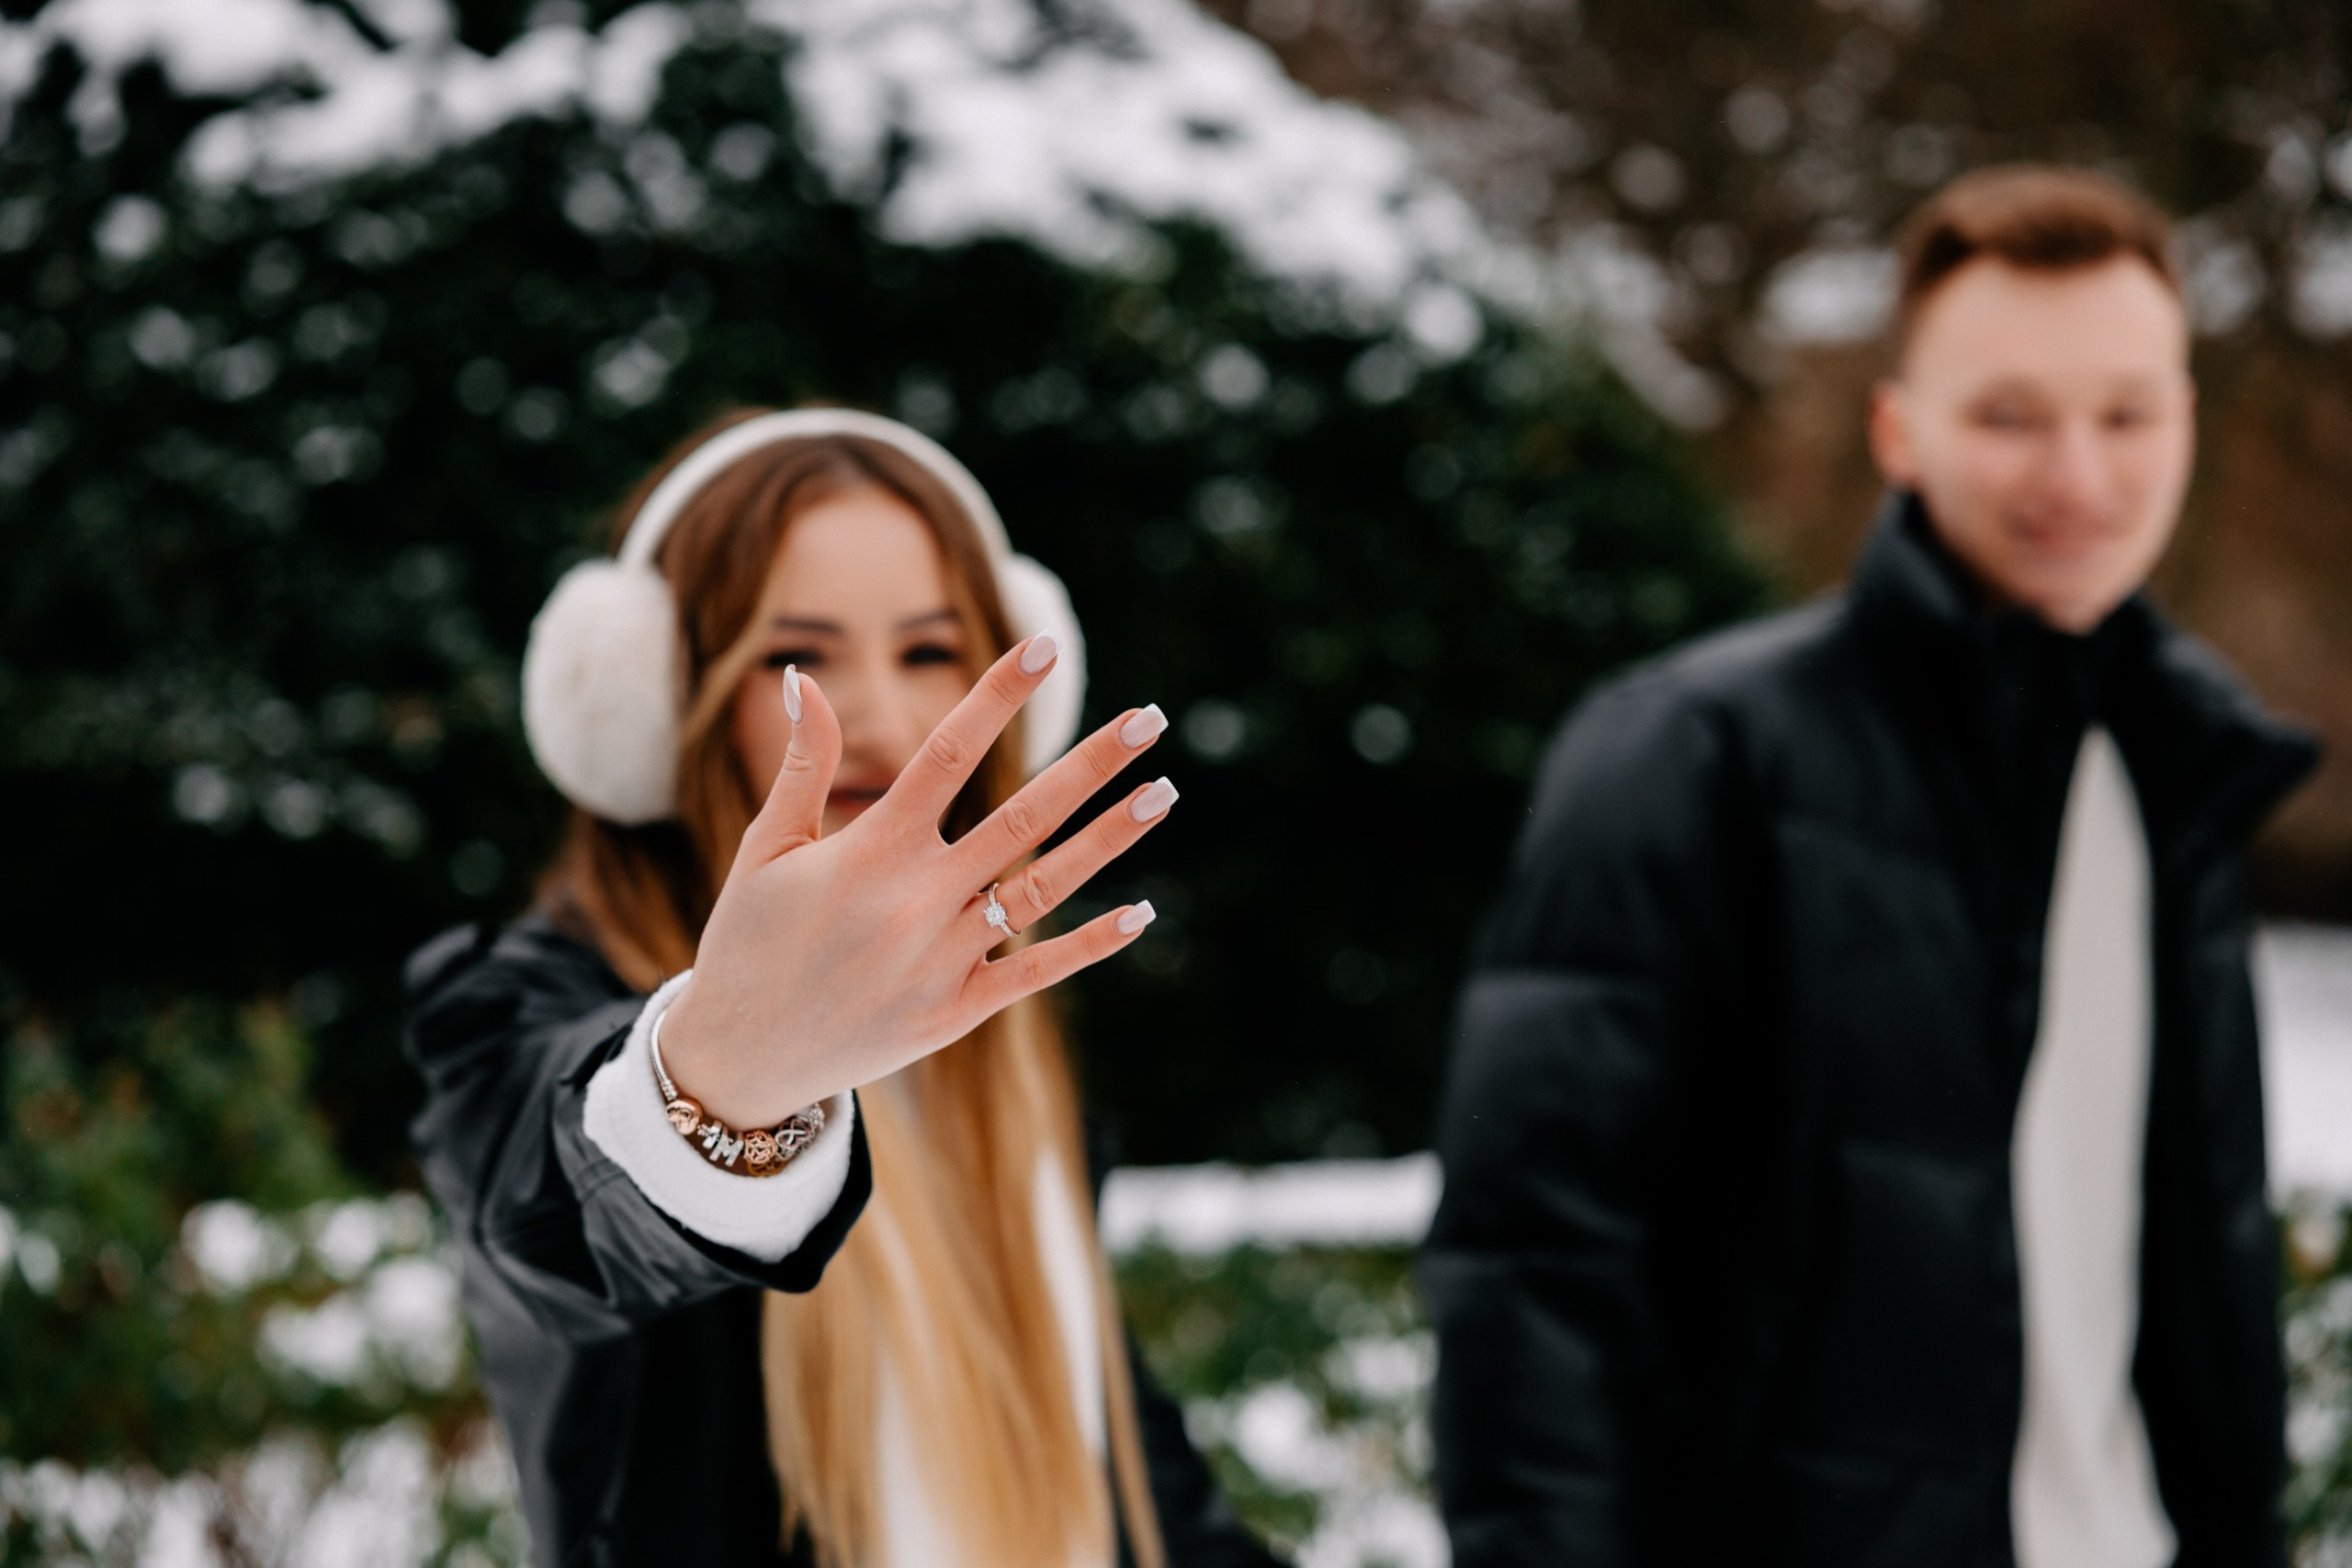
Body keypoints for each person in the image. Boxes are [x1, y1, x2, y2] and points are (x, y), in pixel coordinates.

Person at [1423, 165, 2322, 1567]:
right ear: (1899, 430)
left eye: (2128, 412)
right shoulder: (1689, 754)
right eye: (2010, 414)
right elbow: (1534, 1274)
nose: (2079, 476)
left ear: (2188, 422)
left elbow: (2197, 1262)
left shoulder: (2185, 767)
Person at [404, 408, 1282, 1568]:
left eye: (928, 651)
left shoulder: (1005, 1059)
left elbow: (1132, 1485)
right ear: (653, 698)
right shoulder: (523, 1004)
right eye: (796, 661)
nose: (878, 721)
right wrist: (719, 1077)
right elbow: (547, 1220)